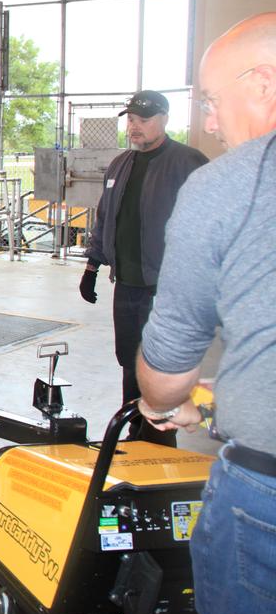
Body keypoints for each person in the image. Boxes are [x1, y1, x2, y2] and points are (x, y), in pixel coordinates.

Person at [135, 12, 276, 614]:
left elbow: (168, 363)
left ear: (265, 83)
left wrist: (164, 400)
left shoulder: (226, 182)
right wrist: (216, 404)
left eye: (213, 101)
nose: (211, 121)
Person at [78, 90, 206, 440]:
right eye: (131, 120)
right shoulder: (122, 163)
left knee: (159, 361)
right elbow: (105, 218)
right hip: (128, 283)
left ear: (164, 119)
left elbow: (205, 226)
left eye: (143, 120)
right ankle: (135, 425)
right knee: (129, 357)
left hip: (166, 286)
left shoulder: (188, 162)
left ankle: (160, 434)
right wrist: (92, 266)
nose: (134, 127)